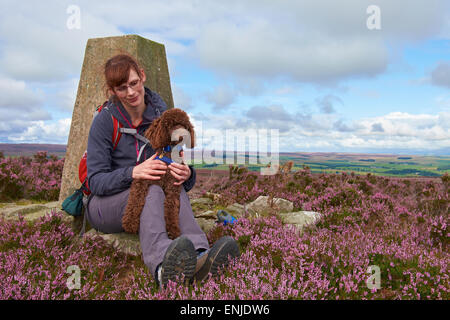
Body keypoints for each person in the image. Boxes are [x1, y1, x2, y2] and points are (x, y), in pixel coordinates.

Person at [85, 53, 239, 287]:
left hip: (147, 197)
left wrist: (187, 174)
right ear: (113, 91)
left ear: (143, 76)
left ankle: (200, 255)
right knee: (153, 191)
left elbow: (176, 162)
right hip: (103, 206)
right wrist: (133, 172)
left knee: (173, 186)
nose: (130, 92)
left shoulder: (163, 116)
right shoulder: (105, 122)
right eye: (121, 88)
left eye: (134, 83)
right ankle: (161, 267)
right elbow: (94, 182)